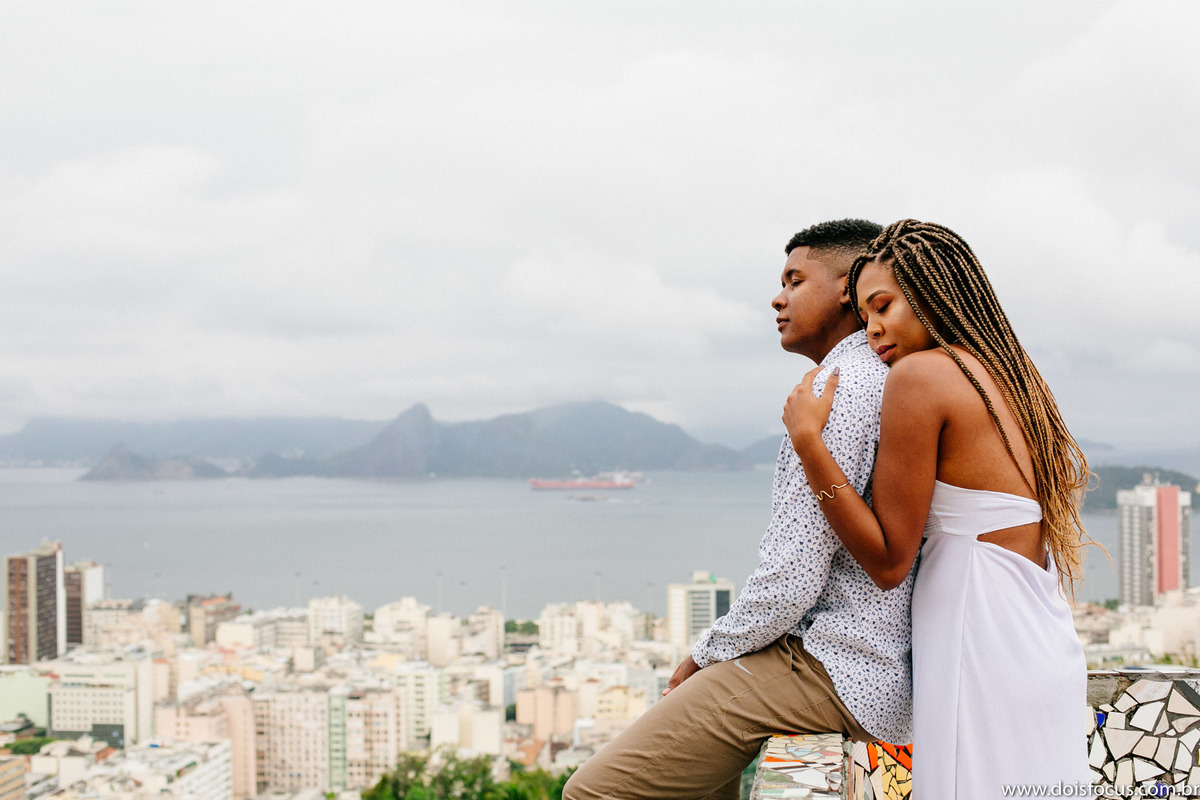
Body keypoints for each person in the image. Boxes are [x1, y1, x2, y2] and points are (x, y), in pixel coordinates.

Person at [563, 219, 914, 800]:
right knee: (701, 779)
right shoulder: (885, 375)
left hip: (832, 667)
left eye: (795, 280)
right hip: (872, 667)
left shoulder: (835, 389)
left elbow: (791, 580)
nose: (777, 298)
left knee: (592, 792)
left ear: (848, 289)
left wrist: (703, 656)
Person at [782, 219, 1092, 796]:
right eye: (866, 314)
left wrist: (809, 444)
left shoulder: (921, 376)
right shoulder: (1010, 376)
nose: (873, 330)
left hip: (976, 628)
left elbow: (889, 560)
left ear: (931, 294)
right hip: (1038, 632)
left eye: (885, 306)